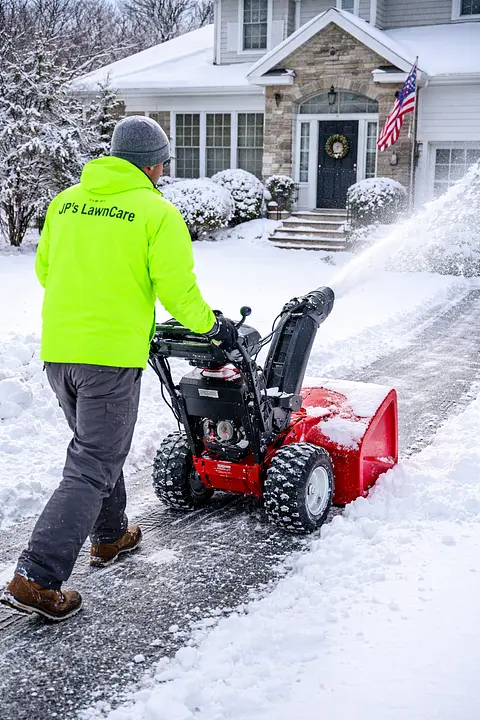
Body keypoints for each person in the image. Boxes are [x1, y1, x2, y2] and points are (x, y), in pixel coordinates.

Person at [0, 116, 238, 622]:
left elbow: (45, 271)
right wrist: (212, 327)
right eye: (163, 163)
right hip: (108, 361)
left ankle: (110, 536)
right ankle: (37, 577)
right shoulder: (156, 212)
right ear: (152, 165)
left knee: (96, 452)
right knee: (92, 464)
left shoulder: (66, 203)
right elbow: (177, 290)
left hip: (60, 353)